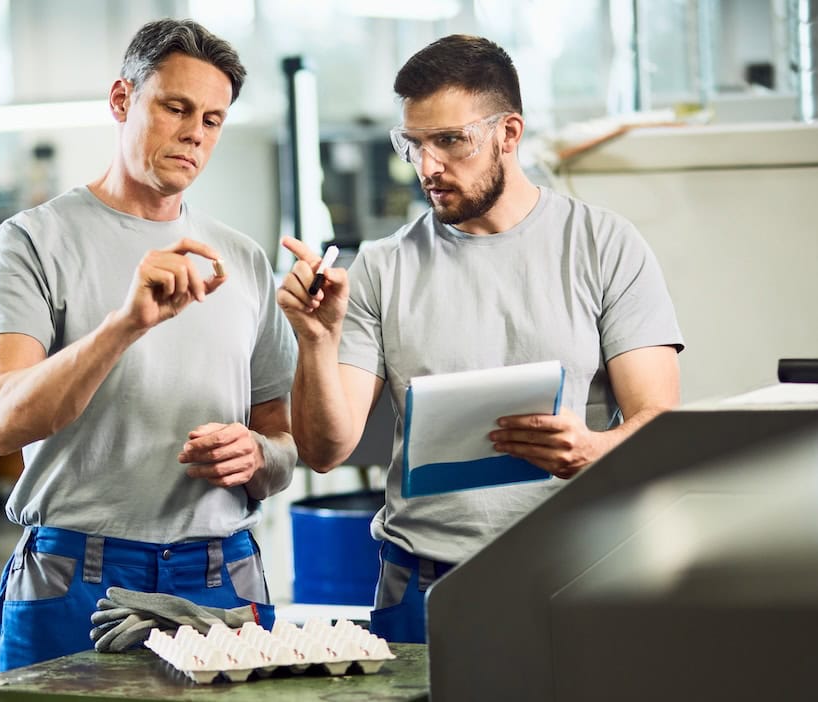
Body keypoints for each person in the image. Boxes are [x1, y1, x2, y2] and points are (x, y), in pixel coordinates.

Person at [276, 34, 684, 644]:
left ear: (508, 133)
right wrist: (315, 337)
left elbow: (659, 420)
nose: (427, 168)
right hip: (420, 587)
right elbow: (325, 451)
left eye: (449, 141)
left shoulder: (604, 245)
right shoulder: (384, 267)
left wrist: (592, 451)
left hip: (573, 574)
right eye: (412, 145)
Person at [0, 18, 298, 672]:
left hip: (219, 576)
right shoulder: (33, 241)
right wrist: (125, 325)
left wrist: (257, 454)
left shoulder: (242, 259)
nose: (195, 132)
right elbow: (1, 423)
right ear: (122, 100)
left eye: (213, 118)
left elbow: (283, 444)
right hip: (76, 576)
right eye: (176, 108)